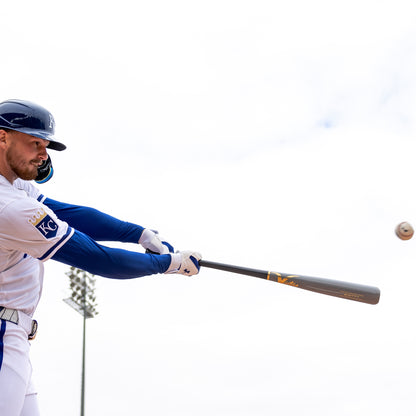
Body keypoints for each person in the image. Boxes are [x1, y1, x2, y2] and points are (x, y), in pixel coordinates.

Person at [0, 99, 202, 416]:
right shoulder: (9, 205)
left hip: (14, 336)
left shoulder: (15, 185)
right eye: (35, 143)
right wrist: (169, 264)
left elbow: (70, 214)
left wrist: (139, 233)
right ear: (2, 137)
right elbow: (100, 260)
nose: (43, 155)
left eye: (46, 145)